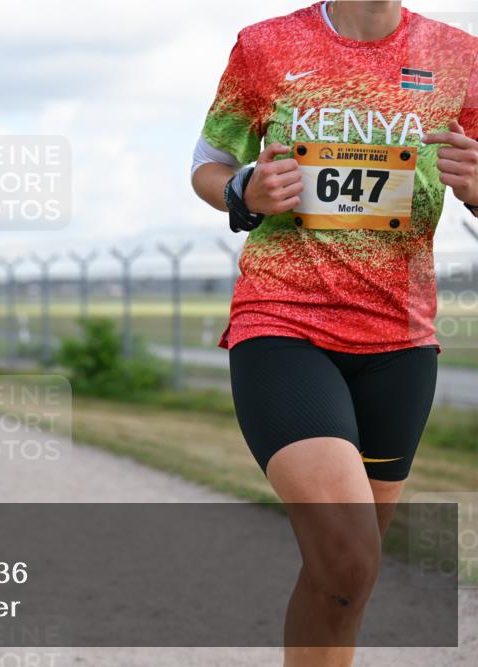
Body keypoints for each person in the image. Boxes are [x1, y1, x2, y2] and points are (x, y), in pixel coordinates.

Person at [191, 2, 478, 664]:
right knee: (348, 551)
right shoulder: (265, 46)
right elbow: (207, 166)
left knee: (347, 575)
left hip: (400, 344)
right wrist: (245, 189)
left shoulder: (458, 55)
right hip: (282, 323)